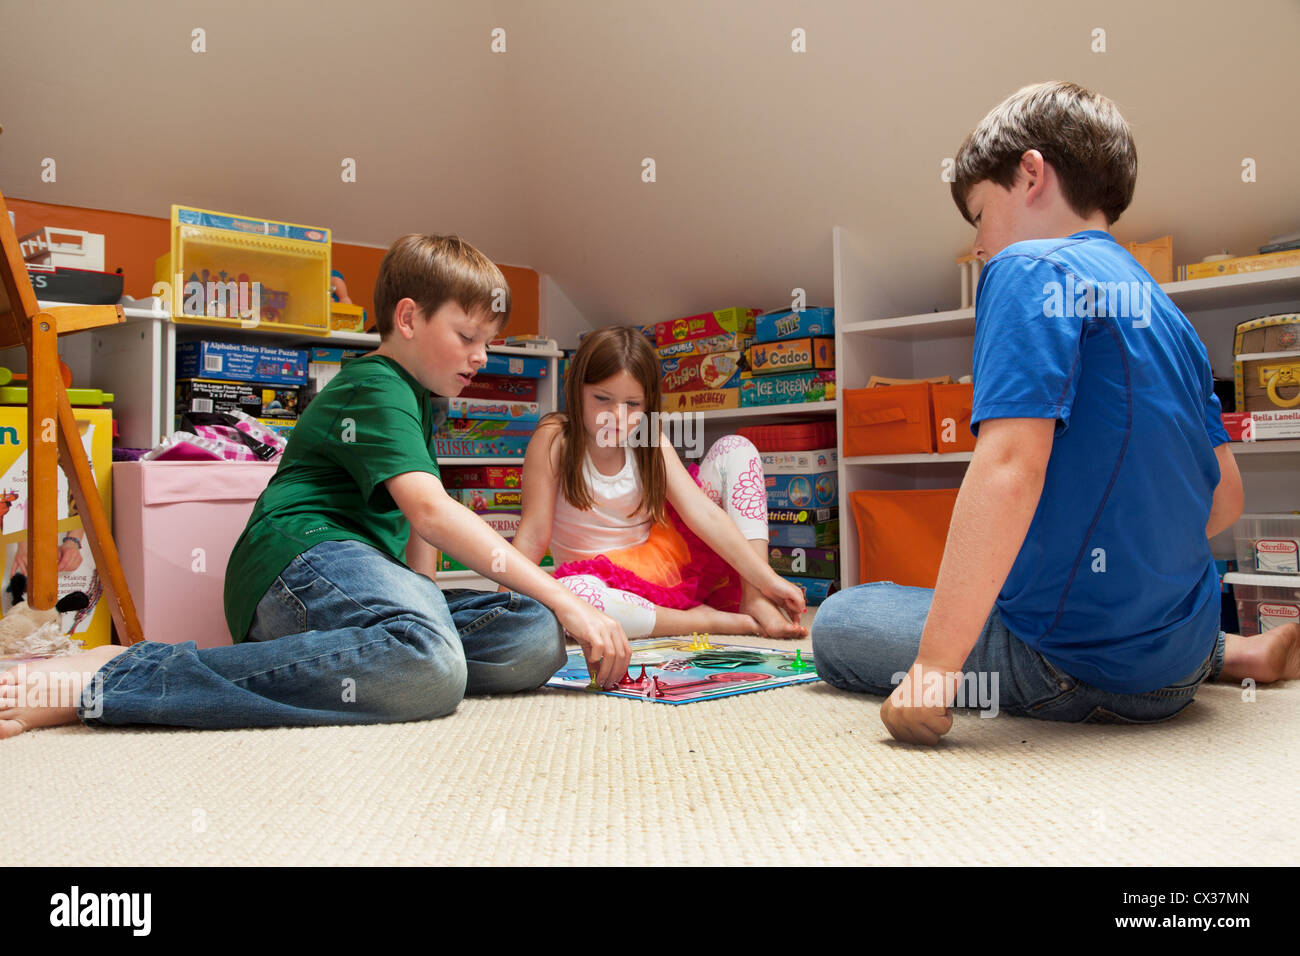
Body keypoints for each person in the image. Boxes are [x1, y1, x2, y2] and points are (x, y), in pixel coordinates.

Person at [812, 80, 1299, 744]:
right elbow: (1225, 500)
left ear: (1031, 174)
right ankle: (1231, 651)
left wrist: (933, 669)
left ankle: (1170, 657)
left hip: (1070, 665)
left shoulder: (1027, 267)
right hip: (1177, 658)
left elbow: (1010, 466)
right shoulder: (1168, 314)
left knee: (842, 617)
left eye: (981, 215)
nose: (981, 245)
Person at [0, 234, 630, 738]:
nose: (480, 357)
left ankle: (368, 658)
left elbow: (417, 538)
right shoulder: (375, 384)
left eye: (487, 344)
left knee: (535, 636)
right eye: (467, 338)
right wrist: (570, 598)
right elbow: (432, 513)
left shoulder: (419, 397)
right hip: (303, 557)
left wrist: (434, 599)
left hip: (354, 586)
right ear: (408, 318)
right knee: (433, 666)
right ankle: (112, 677)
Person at [509, 326, 808, 641]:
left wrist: (766, 578)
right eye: (602, 398)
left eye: (633, 404)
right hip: (596, 581)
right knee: (573, 599)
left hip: (664, 568)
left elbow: (702, 513)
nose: (617, 415)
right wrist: (506, 604)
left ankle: (755, 598)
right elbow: (532, 536)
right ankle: (706, 621)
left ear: (649, 403)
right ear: (576, 389)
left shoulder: (648, 438)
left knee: (737, 448)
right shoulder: (556, 438)